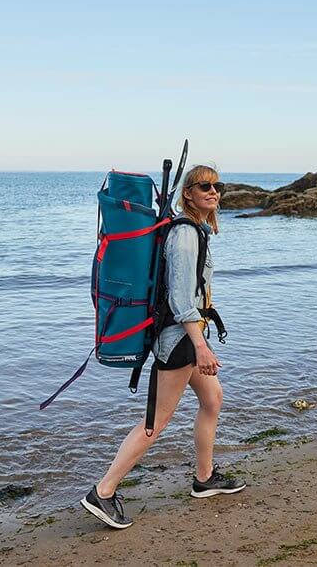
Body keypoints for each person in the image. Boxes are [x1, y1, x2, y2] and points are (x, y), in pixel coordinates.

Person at [81, 164, 246, 529]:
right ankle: (103, 492)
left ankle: (205, 478)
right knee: (156, 423)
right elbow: (182, 298)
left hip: (187, 335)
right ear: (188, 193)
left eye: (218, 186)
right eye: (205, 185)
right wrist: (201, 346)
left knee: (212, 399)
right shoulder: (185, 235)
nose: (214, 191)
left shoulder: (196, 231)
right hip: (180, 339)